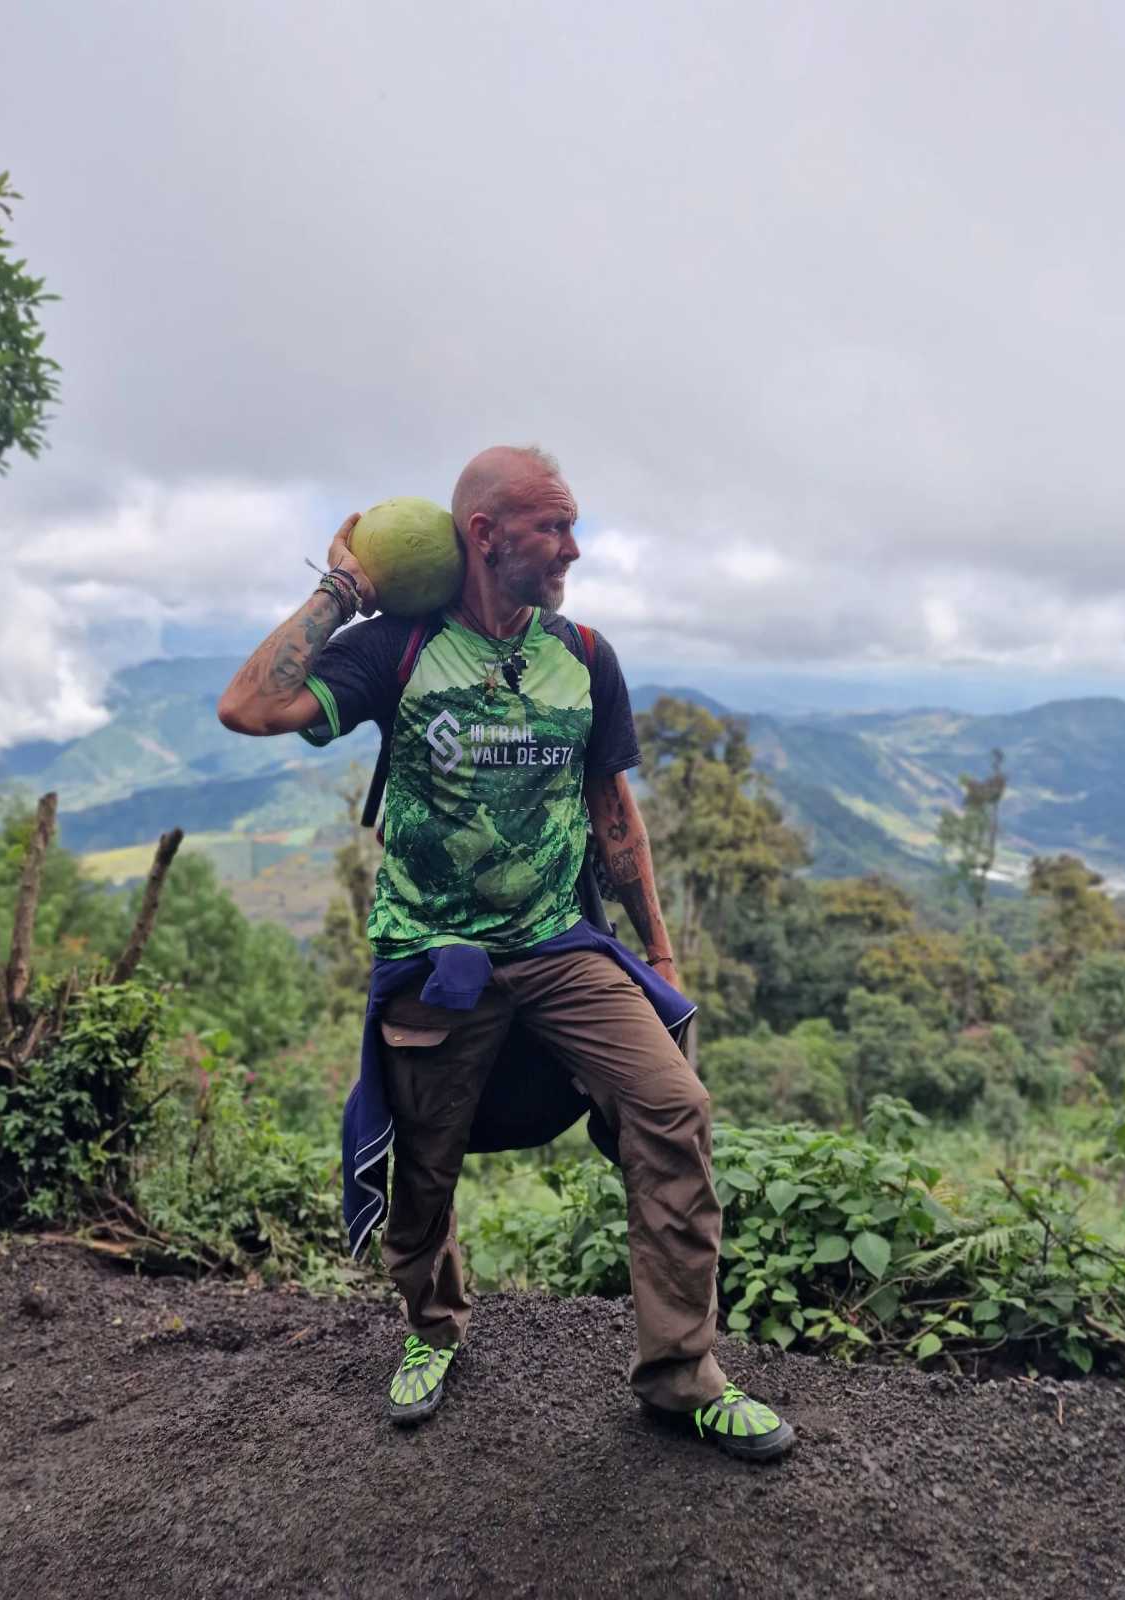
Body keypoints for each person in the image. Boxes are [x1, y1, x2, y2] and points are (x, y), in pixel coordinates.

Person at [217, 445, 794, 1462]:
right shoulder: (398, 648)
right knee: (423, 1161)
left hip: (559, 944)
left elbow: (614, 813)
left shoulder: (584, 654)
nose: (573, 547)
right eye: (552, 527)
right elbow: (251, 706)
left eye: (573, 526)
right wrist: (343, 590)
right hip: (435, 953)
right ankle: (433, 1329)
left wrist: (659, 951)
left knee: (674, 1107)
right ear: (484, 535)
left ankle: (681, 1374)